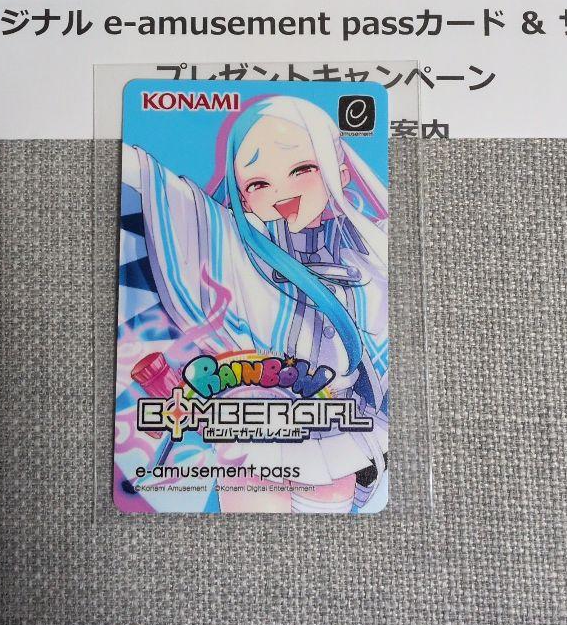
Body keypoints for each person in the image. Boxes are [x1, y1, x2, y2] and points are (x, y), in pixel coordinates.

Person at [120, 94, 388, 512]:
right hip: (253, 425)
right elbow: (172, 198)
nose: (281, 192)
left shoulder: (371, 254)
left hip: (336, 427)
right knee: (248, 518)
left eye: (302, 169)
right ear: (243, 197)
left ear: (339, 171)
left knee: (330, 523)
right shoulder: (235, 249)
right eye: (259, 183)